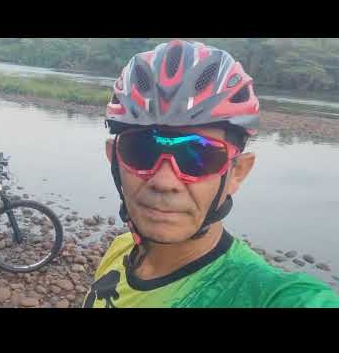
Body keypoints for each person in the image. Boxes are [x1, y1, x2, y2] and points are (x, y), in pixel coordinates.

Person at [84, 39, 339, 308]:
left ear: (237, 172)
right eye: (141, 150)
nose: (164, 181)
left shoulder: (261, 294)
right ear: (114, 158)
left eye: (199, 156)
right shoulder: (120, 249)